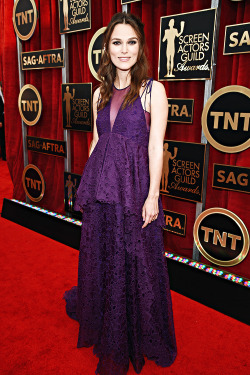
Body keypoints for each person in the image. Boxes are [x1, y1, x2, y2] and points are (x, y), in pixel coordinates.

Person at [63, 12, 177, 375]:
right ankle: (102, 316)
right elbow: (98, 140)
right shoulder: (100, 90)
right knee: (104, 253)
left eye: (131, 42)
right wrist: (88, 185)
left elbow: (156, 147)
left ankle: (130, 335)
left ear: (140, 47)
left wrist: (152, 196)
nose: (123, 49)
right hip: (102, 188)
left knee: (134, 259)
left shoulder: (152, 90)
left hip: (133, 189)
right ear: (107, 48)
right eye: (116, 42)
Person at [0, 81, 6, 161]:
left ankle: (4, 155)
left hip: (3, 117)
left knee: (3, 137)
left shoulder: (2, 93)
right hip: (0, 119)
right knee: (1, 138)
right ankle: (4, 156)